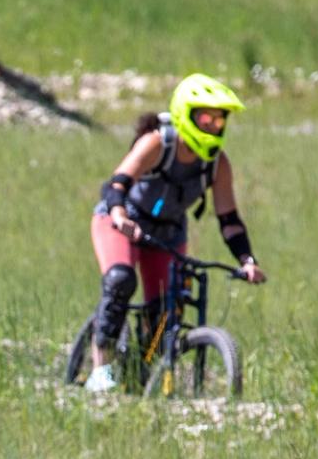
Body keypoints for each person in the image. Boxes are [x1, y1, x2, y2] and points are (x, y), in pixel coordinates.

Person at [85, 73, 267, 391]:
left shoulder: (217, 165)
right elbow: (115, 185)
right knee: (120, 280)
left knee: (168, 311)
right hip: (123, 221)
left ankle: (139, 378)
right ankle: (102, 369)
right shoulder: (157, 143)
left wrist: (248, 260)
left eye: (219, 120)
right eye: (205, 118)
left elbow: (230, 219)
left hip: (167, 235)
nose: (212, 126)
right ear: (186, 114)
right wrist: (119, 213)